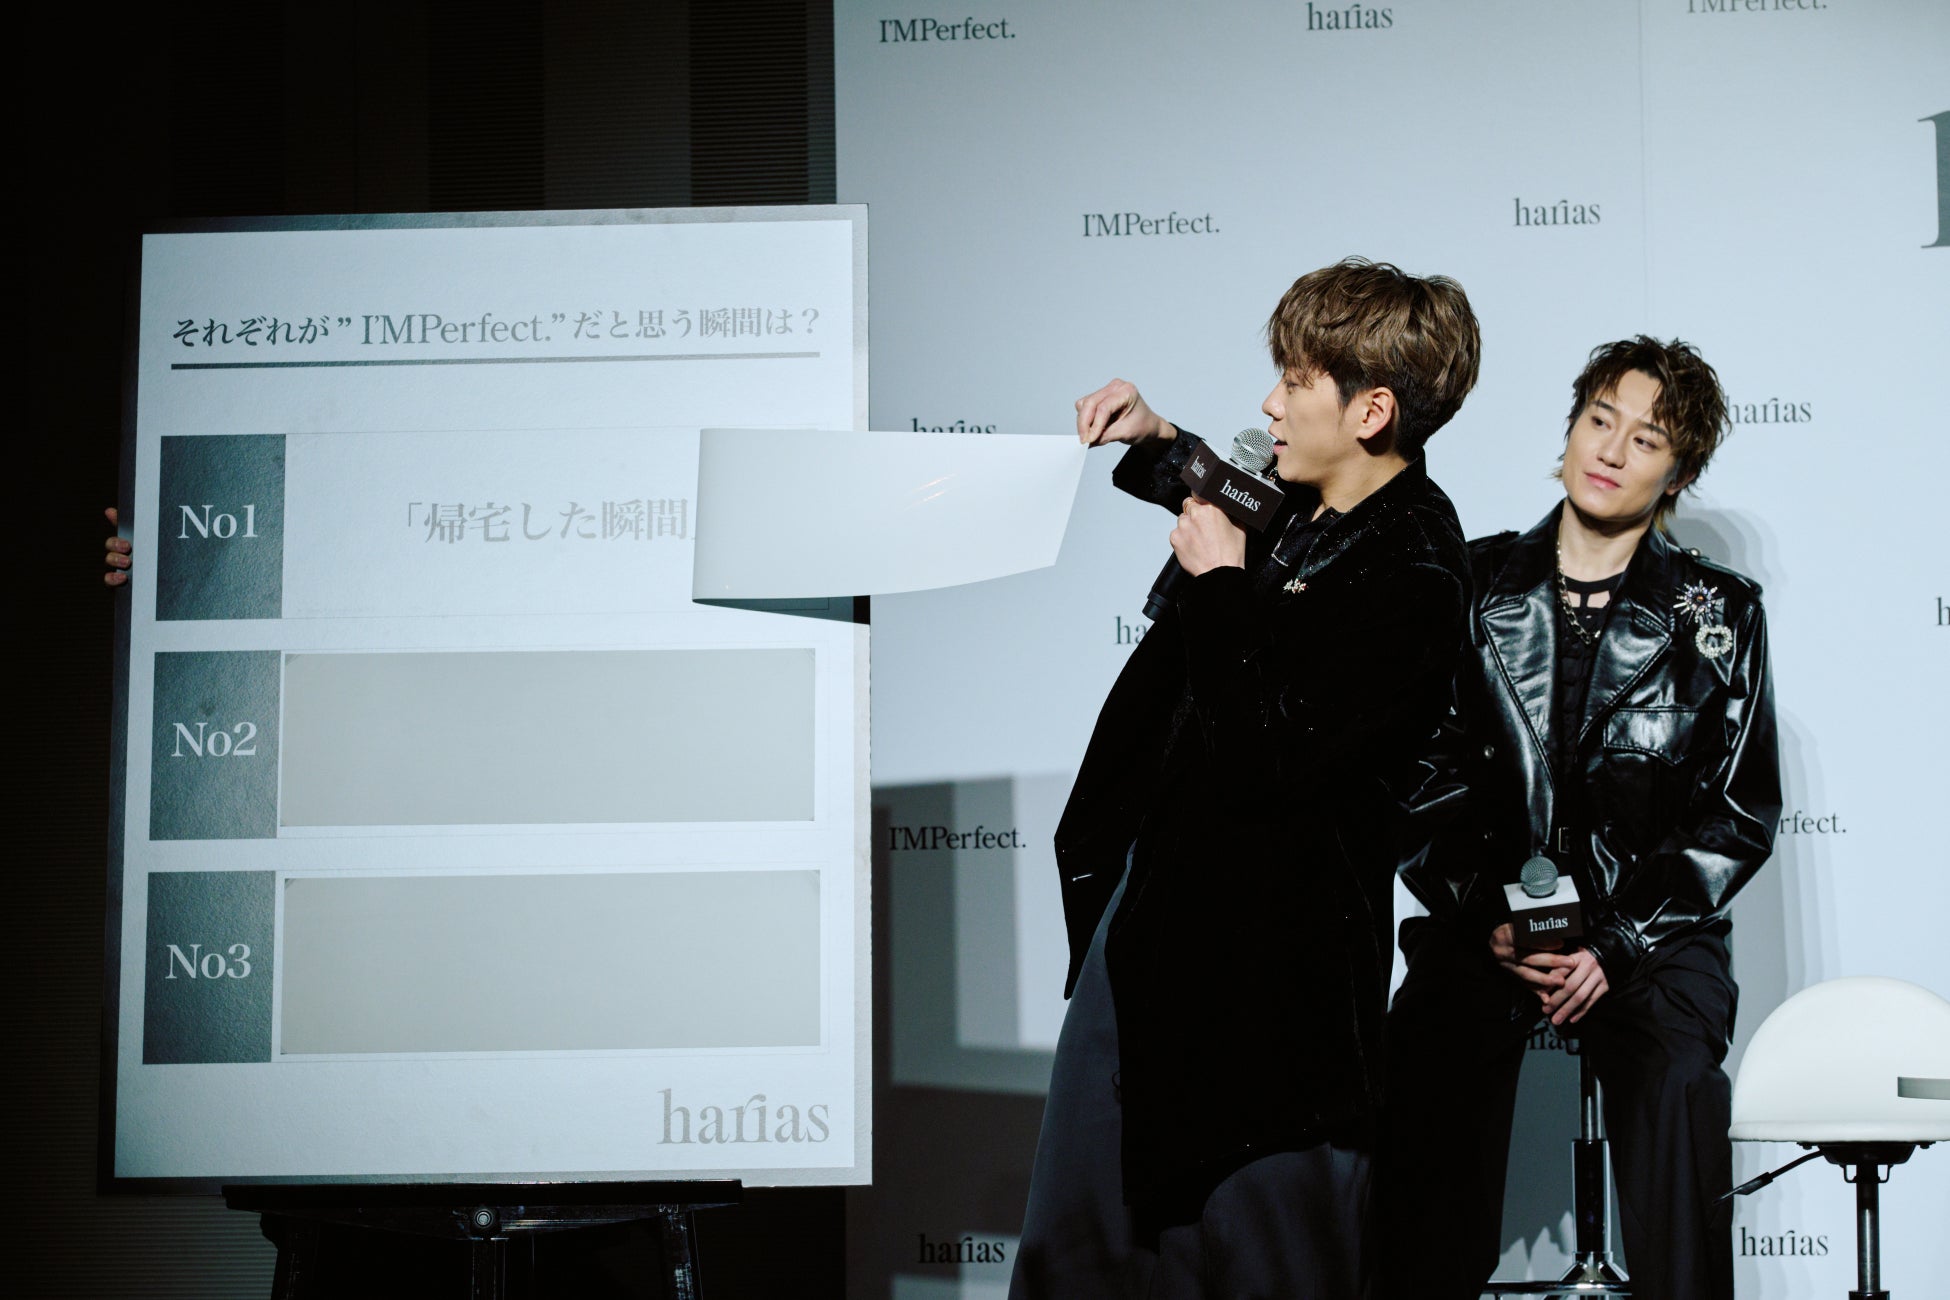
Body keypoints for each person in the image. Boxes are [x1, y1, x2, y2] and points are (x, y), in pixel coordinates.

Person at [1010, 257, 1482, 1300]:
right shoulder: (1305, 503)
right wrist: (1154, 437)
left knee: (1255, 1261)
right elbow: (1230, 496)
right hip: (1154, 943)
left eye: (1295, 382)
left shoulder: (1415, 569)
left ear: (1371, 412)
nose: (1270, 402)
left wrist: (1220, 586)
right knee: (1085, 1262)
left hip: (1270, 1011)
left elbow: (1271, 755)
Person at [1380, 337, 1780, 1300]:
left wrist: (1618, 942)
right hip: (1487, 923)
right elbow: (1418, 780)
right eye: (1600, 420)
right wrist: (1489, 915)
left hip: (1651, 933)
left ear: (1678, 473)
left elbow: (1735, 814)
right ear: (1569, 430)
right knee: (1421, 1064)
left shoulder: (1721, 615)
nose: (1611, 449)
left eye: (1646, 439)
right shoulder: (1469, 584)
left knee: (1682, 1086)